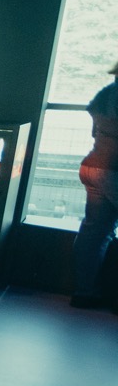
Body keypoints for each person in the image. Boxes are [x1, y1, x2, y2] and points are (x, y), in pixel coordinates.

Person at [71, 60, 118, 310]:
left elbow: (95, 132)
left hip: (93, 166)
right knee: (98, 233)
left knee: (94, 233)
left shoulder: (105, 94)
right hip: (113, 171)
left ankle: (84, 292)